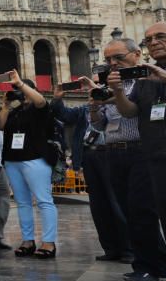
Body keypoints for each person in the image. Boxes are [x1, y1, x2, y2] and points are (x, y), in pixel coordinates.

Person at [110, 22, 166, 281]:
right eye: (148, 39)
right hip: (159, 156)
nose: (154, 42)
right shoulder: (145, 77)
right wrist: (117, 92)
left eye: (161, 36)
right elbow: (130, 112)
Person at [52, 77, 131, 263]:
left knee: (116, 203)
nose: (94, 91)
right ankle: (111, 248)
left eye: (98, 86)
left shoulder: (114, 104)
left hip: (107, 153)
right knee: (99, 205)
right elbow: (64, 115)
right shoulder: (84, 110)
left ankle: (129, 249)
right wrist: (57, 99)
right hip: (89, 156)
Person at [0, 71, 58, 259]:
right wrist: (6, 106)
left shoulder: (41, 108)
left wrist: (21, 84)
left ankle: (49, 242)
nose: (19, 93)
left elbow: (40, 101)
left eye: (22, 89)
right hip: (13, 160)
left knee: (44, 200)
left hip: (35, 158)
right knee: (22, 202)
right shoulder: (15, 111)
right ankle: (28, 240)